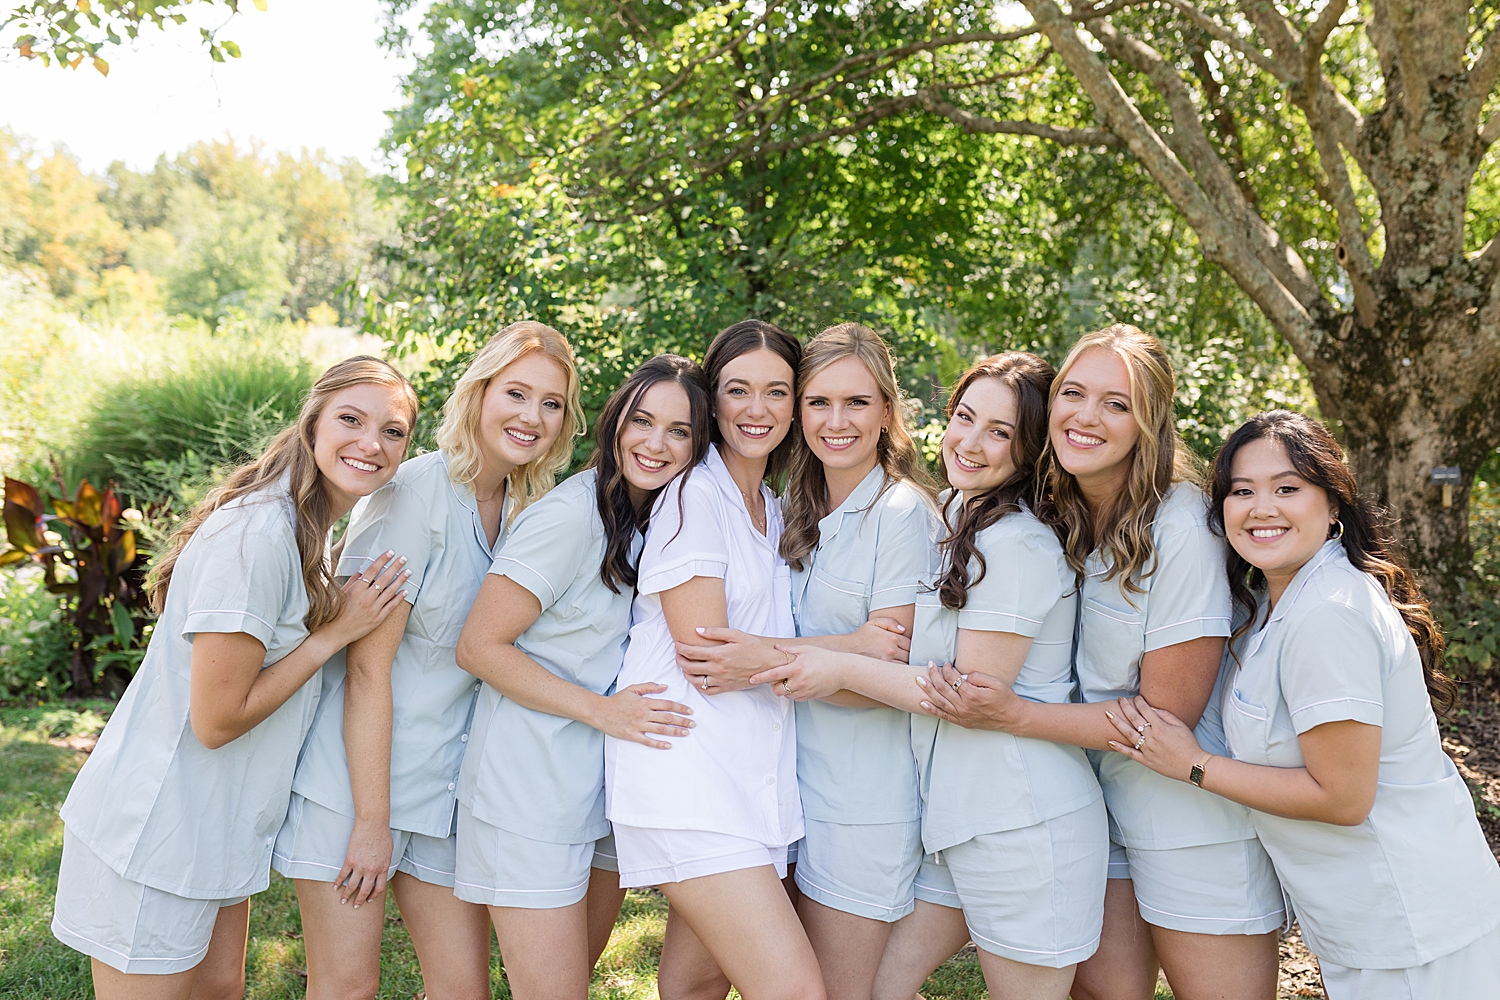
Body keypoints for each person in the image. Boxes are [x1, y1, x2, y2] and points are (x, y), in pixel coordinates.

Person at [912, 326, 1283, 1000]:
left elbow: (1167, 716)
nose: (1086, 416)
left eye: (1116, 404)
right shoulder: (1054, 511)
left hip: (1188, 816)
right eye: (1073, 393)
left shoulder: (1182, 525)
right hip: (1090, 808)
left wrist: (1017, 714)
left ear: (1149, 423)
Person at [52, 357, 418, 1000]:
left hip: (218, 827)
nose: (372, 444)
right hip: (158, 830)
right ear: (313, 425)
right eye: (352, 420)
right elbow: (217, 721)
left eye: (393, 432)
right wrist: (335, 634)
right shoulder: (258, 536)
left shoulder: (306, 533)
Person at [1108, 409, 1500, 1000]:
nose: (1261, 508)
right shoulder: (1273, 606)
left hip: (1413, 928)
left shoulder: (1329, 614)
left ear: (1334, 504)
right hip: (1366, 924)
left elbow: (1343, 797)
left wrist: (1191, 763)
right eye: (1242, 491)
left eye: (1287, 488)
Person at [762, 352, 1108, 1000]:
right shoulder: (957, 512)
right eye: (965, 418)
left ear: (1031, 449)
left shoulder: (1017, 543)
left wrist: (838, 663)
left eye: (999, 432)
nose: (970, 442)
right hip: (953, 821)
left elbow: (965, 694)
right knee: (873, 989)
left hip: (1022, 826)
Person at [271, 322, 583, 1000]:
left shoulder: (530, 506)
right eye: (517, 393)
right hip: (354, 790)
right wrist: (370, 823)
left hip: (446, 794)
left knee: (461, 989)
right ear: (479, 393)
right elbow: (365, 669)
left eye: (551, 403)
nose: (532, 416)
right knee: (348, 987)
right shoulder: (413, 493)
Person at [451, 355, 712, 999]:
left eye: (678, 431)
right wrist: (604, 711)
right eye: (642, 421)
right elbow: (480, 646)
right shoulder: (571, 517)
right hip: (527, 793)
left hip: (597, 790)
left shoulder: (655, 519)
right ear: (615, 421)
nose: (655, 444)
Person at [602, 319, 827, 1000]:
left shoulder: (772, 503)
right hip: (689, 778)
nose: (757, 410)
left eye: (777, 391)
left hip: (747, 779)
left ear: (795, 403)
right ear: (712, 402)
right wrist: (855, 653)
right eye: (737, 390)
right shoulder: (695, 496)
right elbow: (709, 656)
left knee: (695, 985)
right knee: (793, 990)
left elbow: (750, 652)